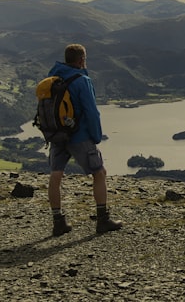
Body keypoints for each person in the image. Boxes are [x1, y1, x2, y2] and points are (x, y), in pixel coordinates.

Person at [46, 43, 122, 236]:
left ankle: (58, 222)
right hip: (79, 136)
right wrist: (96, 136)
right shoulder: (82, 80)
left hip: (56, 135)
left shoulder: (52, 77)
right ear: (81, 60)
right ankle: (103, 220)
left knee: (56, 175)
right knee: (99, 172)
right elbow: (91, 112)